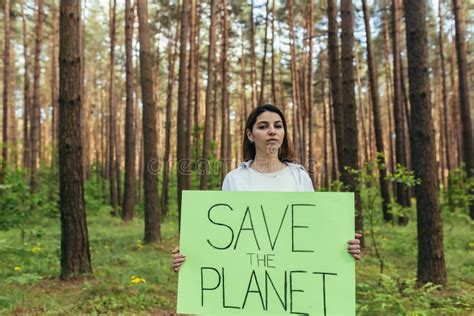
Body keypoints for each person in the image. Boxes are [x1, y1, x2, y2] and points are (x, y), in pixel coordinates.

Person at [172, 104, 361, 272]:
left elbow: (313, 230)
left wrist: (341, 245)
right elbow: (223, 236)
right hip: (246, 276)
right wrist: (191, 253)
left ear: (284, 133)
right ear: (250, 135)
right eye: (263, 126)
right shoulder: (235, 179)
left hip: (293, 276)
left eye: (278, 126)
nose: (272, 131)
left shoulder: (299, 177)